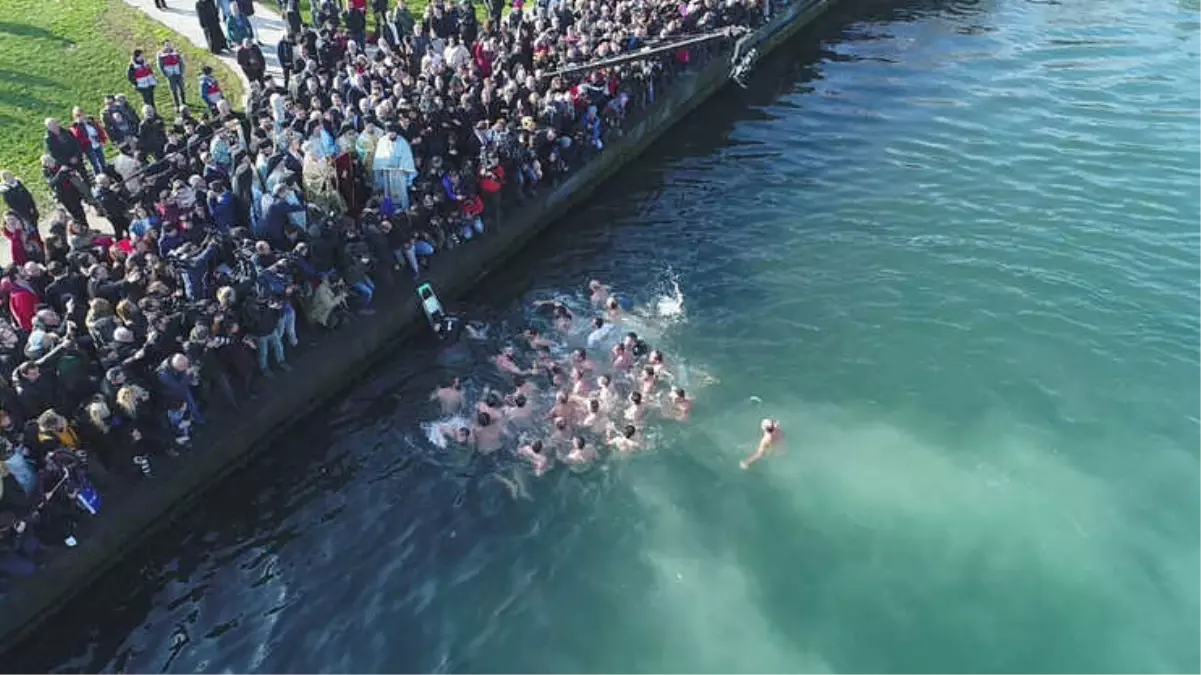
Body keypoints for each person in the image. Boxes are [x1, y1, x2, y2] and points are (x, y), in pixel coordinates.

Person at [69, 108, 109, 176]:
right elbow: (78, 138)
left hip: (97, 144)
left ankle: (107, 176)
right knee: (95, 164)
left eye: (81, 114)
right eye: (78, 115)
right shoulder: (76, 126)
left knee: (102, 162)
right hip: (88, 147)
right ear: (75, 117)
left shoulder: (90, 121)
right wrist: (79, 125)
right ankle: (99, 178)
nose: (81, 116)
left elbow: (99, 129)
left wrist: (101, 139)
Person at [157, 41, 187, 108]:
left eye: (169, 44)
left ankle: (184, 103)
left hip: (178, 73)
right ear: (163, 46)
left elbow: (181, 62)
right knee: (174, 90)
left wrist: (181, 71)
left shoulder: (175, 52)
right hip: (170, 75)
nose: (168, 46)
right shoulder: (161, 55)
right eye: (166, 45)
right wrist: (165, 74)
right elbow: (160, 66)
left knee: (182, 88)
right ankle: (177, 105)